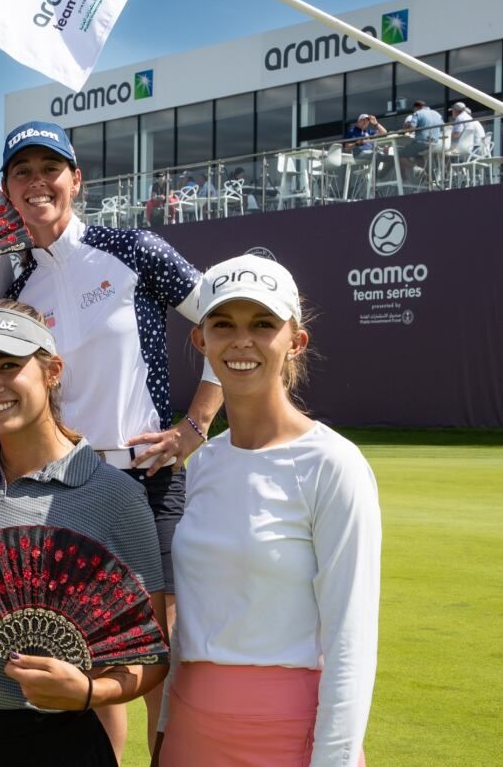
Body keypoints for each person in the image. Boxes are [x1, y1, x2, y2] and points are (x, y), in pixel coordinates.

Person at [0, 120, 222, 758]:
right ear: (7, 188)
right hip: (63, 487)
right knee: (86, 648)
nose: (38, 183)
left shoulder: (135, 249)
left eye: (51, 169)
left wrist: (196, 425)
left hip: (145, 475)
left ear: (77, 181)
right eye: (23, 172)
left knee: (158, 640)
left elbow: (223, 317)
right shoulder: (16, 285)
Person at [0, 300, 168, 766]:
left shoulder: (115, 496)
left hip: (49, 741)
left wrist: (88, 691)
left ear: (52, 371)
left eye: (8, 365)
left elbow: (151, 656)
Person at [157, 254, 381, 767]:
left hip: (289, 735)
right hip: (191, 727)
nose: (242, 341)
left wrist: (337, 759)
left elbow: (352, 636)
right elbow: (191, 620)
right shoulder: (204, 463)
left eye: (262, 324)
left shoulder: (333, 464)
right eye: (223, 325)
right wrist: (167, 731)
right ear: (201, 341)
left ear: (295, 341)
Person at [399, 100, 443, 178]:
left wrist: (406, 128)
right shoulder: (437, 114)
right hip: (436, 143)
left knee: (400, 154)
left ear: (416, 107)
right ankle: (426, 176)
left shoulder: (417, 113)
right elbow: (442, 128)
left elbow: (411, 129)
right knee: (417, 154)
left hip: (423, 143)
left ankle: (416, 169)